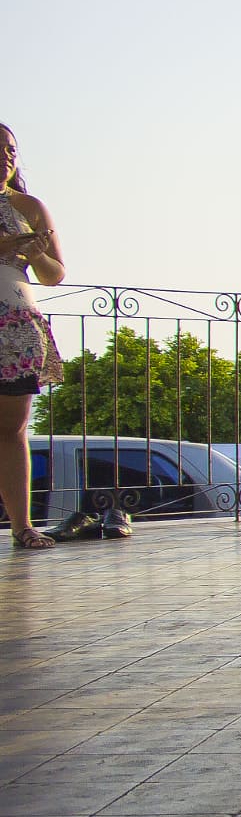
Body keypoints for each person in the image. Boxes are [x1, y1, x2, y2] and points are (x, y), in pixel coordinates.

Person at [0, 124, 65, 550]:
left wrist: (35, 249)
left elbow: (55, 274)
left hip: (15, 330)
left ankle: (22, 526)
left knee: (12, 429)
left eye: (10, 149)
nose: (6, 155)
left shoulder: (30, 206)